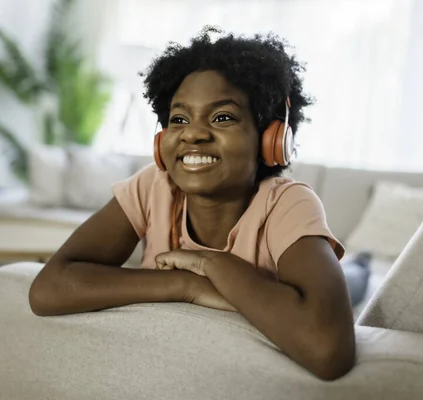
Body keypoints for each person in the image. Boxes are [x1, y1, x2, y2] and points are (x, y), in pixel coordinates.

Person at [29, 27, 356, 381]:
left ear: (270, 139)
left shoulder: (288, 203)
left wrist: (210, 263)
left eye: (222, 117)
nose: (193, 134)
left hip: (328, 271)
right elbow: (48, 288)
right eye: (179, 119)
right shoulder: (153, 187)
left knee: (354, 278)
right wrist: (188, 284)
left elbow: (329, 350)